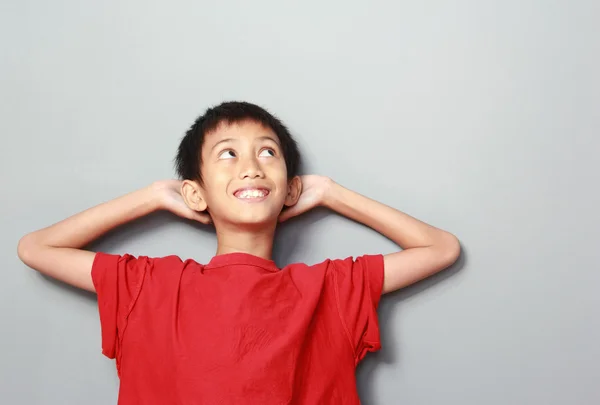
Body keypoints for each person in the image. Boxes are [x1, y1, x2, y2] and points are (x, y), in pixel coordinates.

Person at [17, 101, 460, 404]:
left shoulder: (328, 289)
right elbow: (36, 247)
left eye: (268, 152)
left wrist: (330, 193)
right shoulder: (149, 285)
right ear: (196, 192)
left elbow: (440, 247)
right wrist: (153, 196)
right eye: (227, 154)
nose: (251, 166)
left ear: (290, 188)